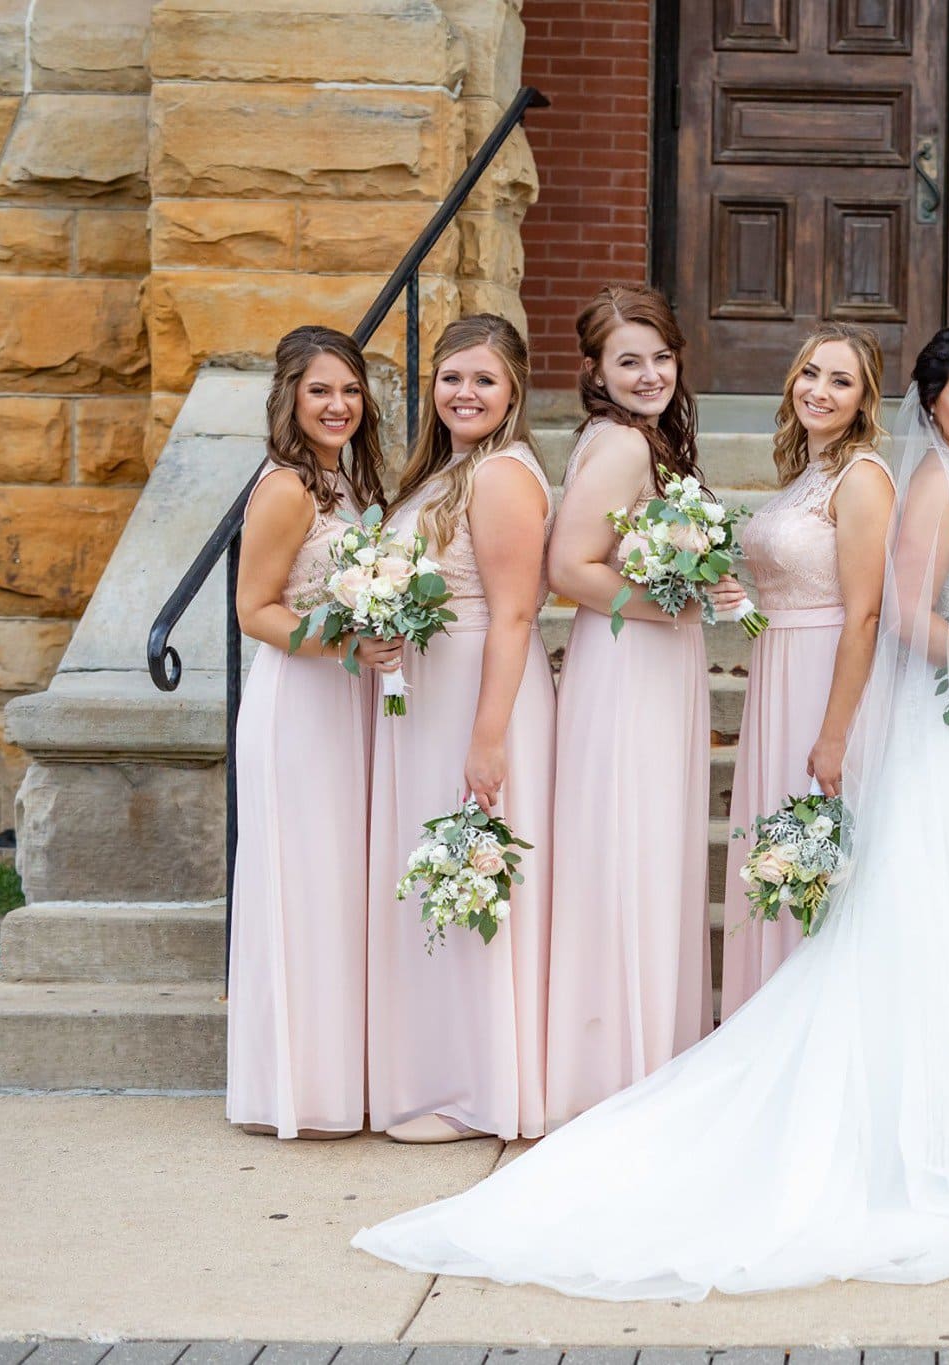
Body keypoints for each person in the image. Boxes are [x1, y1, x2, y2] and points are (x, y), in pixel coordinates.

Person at [352, 324, 949, 1301]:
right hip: (838, 690)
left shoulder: (880, 481)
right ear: (927, 404)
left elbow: (878, 613)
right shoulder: (869, 481)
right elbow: (883, 609)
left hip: (893, 707)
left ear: (873, 399)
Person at [365, 314, 556, 1144]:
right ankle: (436, 1067)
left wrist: (488, 737)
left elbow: (515, 614)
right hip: (427, 692)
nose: (464, 393)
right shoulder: (444, 471)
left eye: (483, 379)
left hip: (482, 691)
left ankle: (481, 1084)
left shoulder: (505, 475)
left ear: (513, 388)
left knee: (474, 870)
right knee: (435, 874)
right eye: (451, 377)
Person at [543, 286, 719, 1125]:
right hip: (626, 667)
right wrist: (677, 601)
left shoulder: (649, 439)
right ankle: (613, 1064)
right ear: (595, 372)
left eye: (660, 357)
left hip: (651, 660)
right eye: (628, 361)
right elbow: (569, 569)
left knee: (644, 847)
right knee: (627, 848)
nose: (649, 374)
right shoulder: (618, 445)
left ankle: (640, 1050)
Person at [227, 325, 395, 1139]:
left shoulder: (343, 483)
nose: (339, 405)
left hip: (347, 699)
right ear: (290, 396)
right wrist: (345, 644)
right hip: (299, 699)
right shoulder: (288, 487)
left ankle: (338, 1078)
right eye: (321, 390)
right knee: (303, 887)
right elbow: (254, 610)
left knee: (339, 889)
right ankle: (293, 1089)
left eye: (351, 390)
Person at [719, 323, 895, 1014]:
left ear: (864, 399)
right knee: (779, 849)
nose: (819, 390)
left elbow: (864, 615)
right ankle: (766, 1016)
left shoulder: (862, 477)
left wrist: (834, 733)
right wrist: (742, 604)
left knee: (818, 854)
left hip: (827, 679)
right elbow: (789, 592)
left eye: (840, 380)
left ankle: (815, 1025)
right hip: (777, 668)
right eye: (811, 373)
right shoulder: (804, 474)